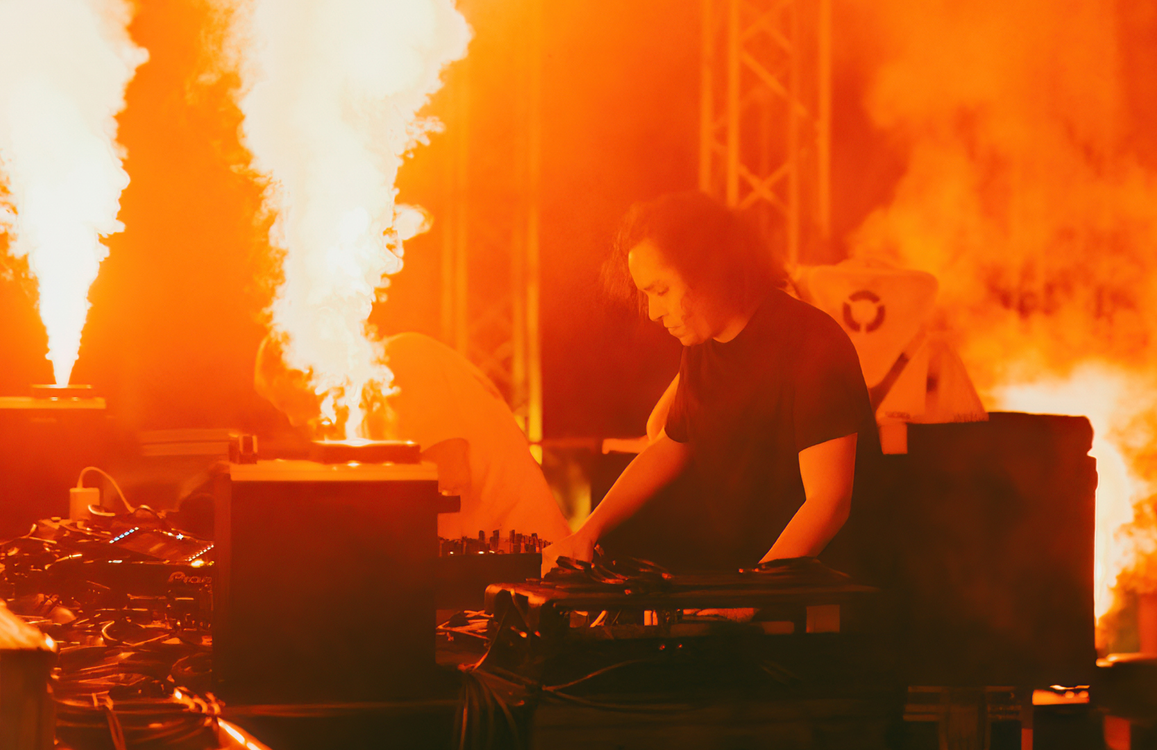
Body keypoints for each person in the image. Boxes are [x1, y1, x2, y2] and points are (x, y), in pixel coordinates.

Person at [542, 191, 879, 576]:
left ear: (709, 271)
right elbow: (670, 443)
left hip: (821, 589)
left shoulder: (811, 342)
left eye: (661, 290)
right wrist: (587, 533)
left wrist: (754, 596)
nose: (653, 312)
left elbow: (828, 502)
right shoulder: (703, 347)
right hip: (749, 580)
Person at [255, 332, 570, 542]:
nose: (294, 420)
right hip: (492, 573)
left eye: (285, 403)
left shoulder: (402, 358)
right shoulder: (362, 405)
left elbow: (449, 472)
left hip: (531, 565)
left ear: (302, 368)